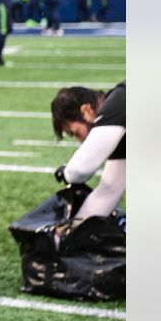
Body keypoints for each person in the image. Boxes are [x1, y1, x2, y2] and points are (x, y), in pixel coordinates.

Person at [51, 82, 126, 221]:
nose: (81, 142)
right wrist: (71, 231)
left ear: (86, 110)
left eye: (76, 133)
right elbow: (109, 190)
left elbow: (79, 170)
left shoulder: (119, 102)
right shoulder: (122, 126)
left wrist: (66, 172)